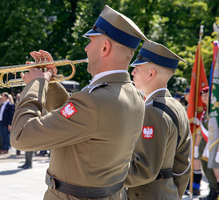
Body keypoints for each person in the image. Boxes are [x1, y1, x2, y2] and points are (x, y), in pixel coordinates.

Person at [11, 5, 149, 199]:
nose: (86, 48)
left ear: (104, 47)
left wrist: (36, 85)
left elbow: (21, 136)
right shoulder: (133, 95)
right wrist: (50, 83)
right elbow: (75, 121)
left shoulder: (96, 100)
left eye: (90, 41)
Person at [124, 41, 191, 199]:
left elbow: (144, 170)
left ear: (151, 74)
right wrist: (172, 193)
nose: (132, 72)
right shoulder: (177, 106)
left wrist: (105, 178)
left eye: (137, 68)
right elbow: (183, 166)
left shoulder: (152, 112)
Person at [196, 86, 218, 200]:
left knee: (212, 167)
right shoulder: (205, 109)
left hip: (212, 144)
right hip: (205, 144)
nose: (204, 97)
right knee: (206, 167)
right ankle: (212, 189)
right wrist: (196, 147)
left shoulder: (213, 110)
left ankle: (215, 191)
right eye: (202, 95)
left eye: (206, 95)